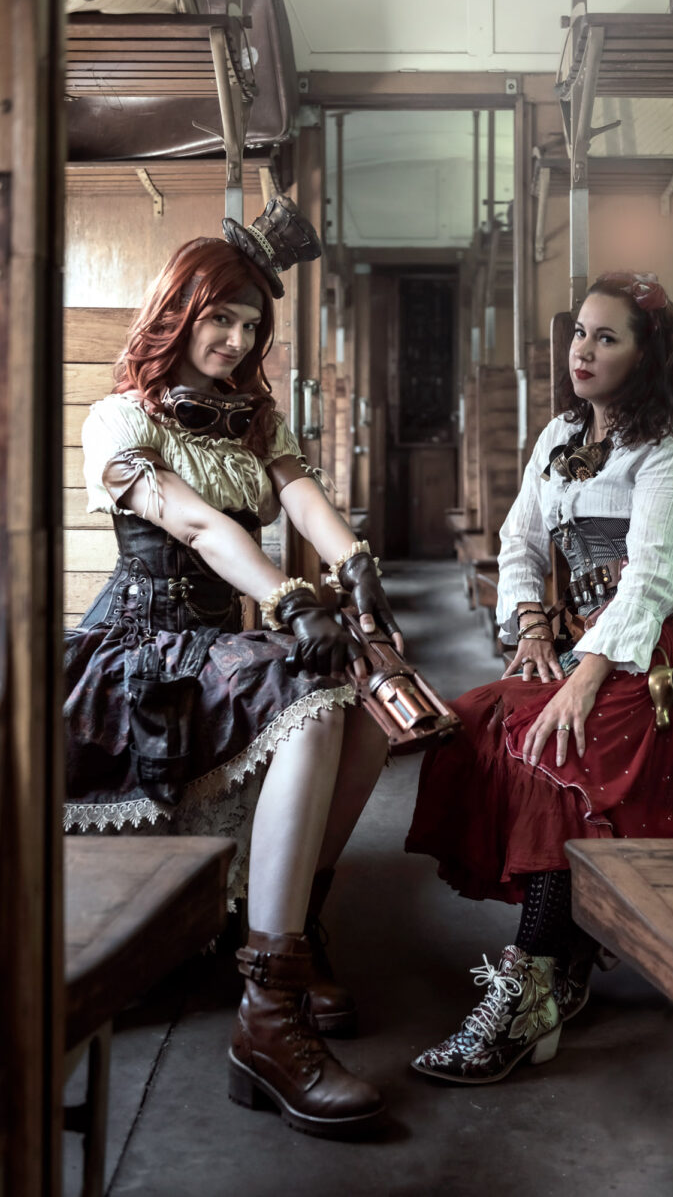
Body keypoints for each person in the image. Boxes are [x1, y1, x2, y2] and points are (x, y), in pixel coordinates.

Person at [63, 195, 403, 1137]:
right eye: (221, 317)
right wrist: (293, 598)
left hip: (222, 638)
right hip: (143, 645)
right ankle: (268, 1012)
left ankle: (287, 928)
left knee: (371, 709)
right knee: (315, 701)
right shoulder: (117, 418)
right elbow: (199, 524)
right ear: (179, 311)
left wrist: (357, 567)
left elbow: (303, 495)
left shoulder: (253, 417)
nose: (236, 339)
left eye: (251, 326)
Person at [405, 271, 673, 1084]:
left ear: (645, 354)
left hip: (663, 650)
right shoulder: (559, 434)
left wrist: (584, 678)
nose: (582, 351)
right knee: (478, 721)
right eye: (580, 333)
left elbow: (652, 581)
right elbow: (519, 538)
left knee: (557, 749)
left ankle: (530, 990)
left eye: (606, 338)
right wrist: (530, 627)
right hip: (587, 641)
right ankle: (566, 956)